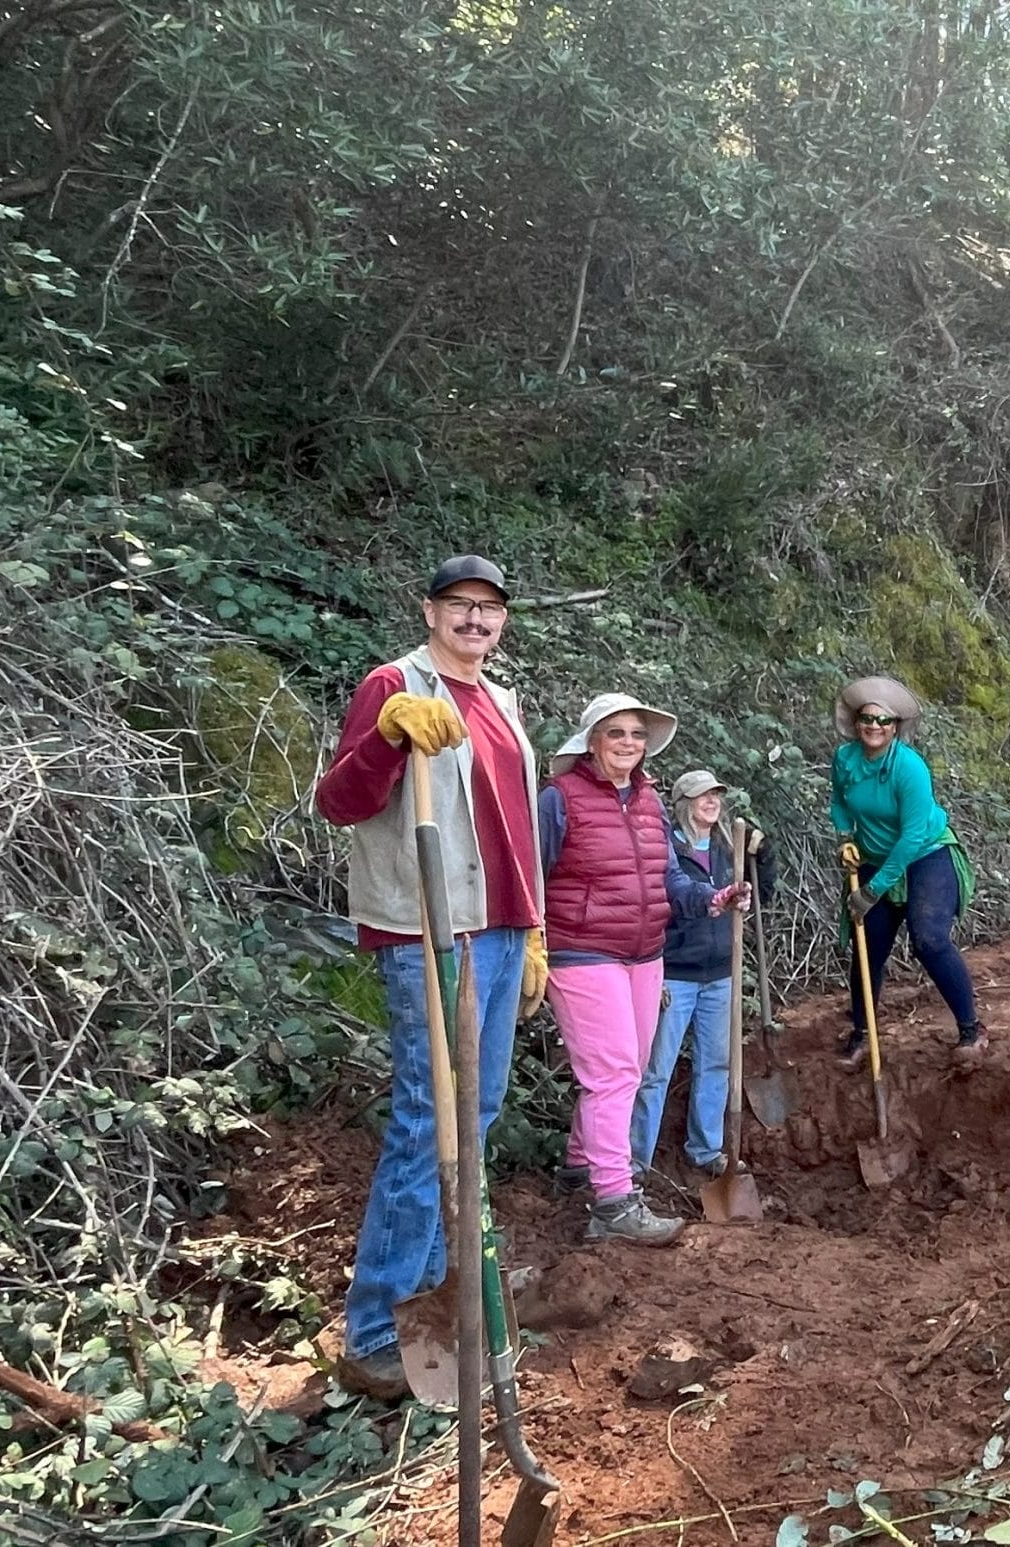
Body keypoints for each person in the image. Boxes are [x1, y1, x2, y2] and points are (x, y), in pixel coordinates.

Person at [314, 555, 547, 1399]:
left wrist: (535, 930)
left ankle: (452, 1295)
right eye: (460, 606)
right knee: (426, 1120)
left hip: (497, 931)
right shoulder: (394, 685)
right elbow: (337, 802)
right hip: (428, 929)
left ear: (503, 622)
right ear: (430, 610)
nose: (475, 620)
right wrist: (383, 739)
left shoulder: (502, 705)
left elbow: (516, 830)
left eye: (490, 608)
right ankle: (374, 1328)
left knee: (473, 1117)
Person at [538, 694, 747, 1246]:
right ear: (591, 741)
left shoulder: (650, 802)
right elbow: (530, 876)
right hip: (582, 951)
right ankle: (613, 1200)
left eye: (636, 734)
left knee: (625, 1067)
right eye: (616, 734)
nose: (628, 743)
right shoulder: (560, 799)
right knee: (615, 1074)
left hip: (645, 953)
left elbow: (666, 878)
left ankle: (581, 1165)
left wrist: (711, 897)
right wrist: (529, 945)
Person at [829, 675, 985, 1068]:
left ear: (895, 727)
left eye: (884, 721)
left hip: (926, 854)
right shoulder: (846, 760)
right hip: (875, 857)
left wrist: (873, 889)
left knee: (929, 939)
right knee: (868, 949)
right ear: (857, 721)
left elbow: (912, 837)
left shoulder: (909, 769)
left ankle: (972, 1030)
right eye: (868, 718)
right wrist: (845, 836)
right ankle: (862, 1035)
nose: (874, 727)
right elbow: (840, 802)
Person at [629, 771, 777, 1179]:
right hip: (675, 973)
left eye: (715, 795)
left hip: (720, 973)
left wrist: (763, 859)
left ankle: (706, 1149)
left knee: (715, 1064)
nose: (711, 802)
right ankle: (636, 1159)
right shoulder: (666, 850)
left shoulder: (729, 847)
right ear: (682, 803)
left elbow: (759, 898)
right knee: (655, 1070)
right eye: (701, 796)